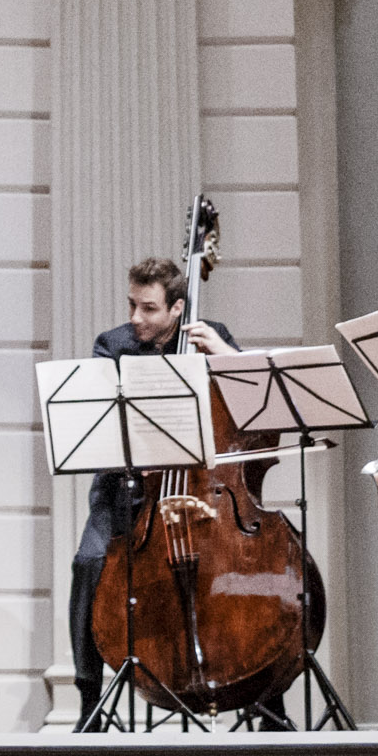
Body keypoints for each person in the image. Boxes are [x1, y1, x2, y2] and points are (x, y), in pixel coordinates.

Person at [69, 256, 237, 722]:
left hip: (201, 495)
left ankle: (265, 697)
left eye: (148, 308)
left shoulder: (211, 336)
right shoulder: (113, 346)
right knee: (88, 563)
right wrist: (136, 453)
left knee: (236, 573)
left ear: (177, 308)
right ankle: (89, 701)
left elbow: (250, 402)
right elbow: (97, 422)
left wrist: (223, 353)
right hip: (126, 493)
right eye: (132, 305)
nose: (136, 318)